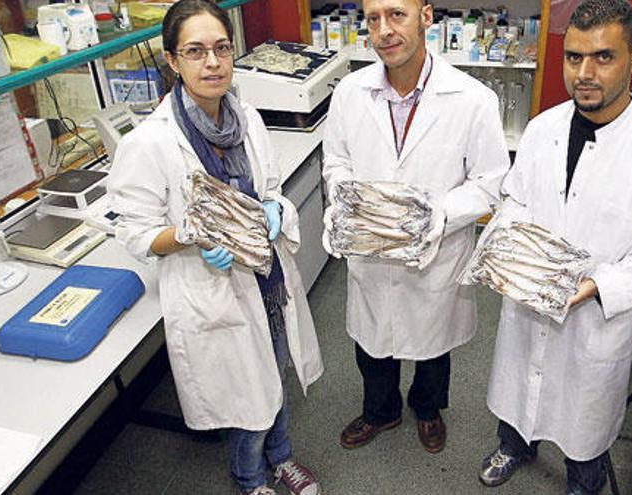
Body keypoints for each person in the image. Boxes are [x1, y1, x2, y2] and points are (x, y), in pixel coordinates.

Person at [477, 1, 632, 494]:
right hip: (529, 301)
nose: (585, 73)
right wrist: (511, 244)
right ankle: (514, 443)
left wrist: (600, 284)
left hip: (596, 319)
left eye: (603, 57)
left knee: (585, 419)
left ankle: (585, 477)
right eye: (574, 57)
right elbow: (515, 197)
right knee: (519, 390)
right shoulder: (542, 131)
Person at [107, 1, 323, 494]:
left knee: (275, 370)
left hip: (266, 276)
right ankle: (250, 478)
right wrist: (191, 236)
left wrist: (273, 210)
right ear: (172, 60)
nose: (212, 62)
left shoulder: (244, 117)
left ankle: (282, 455)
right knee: (247, 392)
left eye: (222, 48)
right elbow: (134, 234)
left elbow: (270, 188)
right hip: (212, 287)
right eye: (196, 51)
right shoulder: (151, 143)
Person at [322, 0, 510, 454]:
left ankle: (427, 408)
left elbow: (490, 183)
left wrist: (435, 214)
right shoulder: (350, 92)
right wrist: (351, 202)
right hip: (371, 250)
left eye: (397, 15)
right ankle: (380, 411)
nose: (384, 30)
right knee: (371, 338)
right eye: (373, 19)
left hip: (435, 252)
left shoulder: (472, 99)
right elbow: (336, 161)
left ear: (426, 17)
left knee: (432, 341)